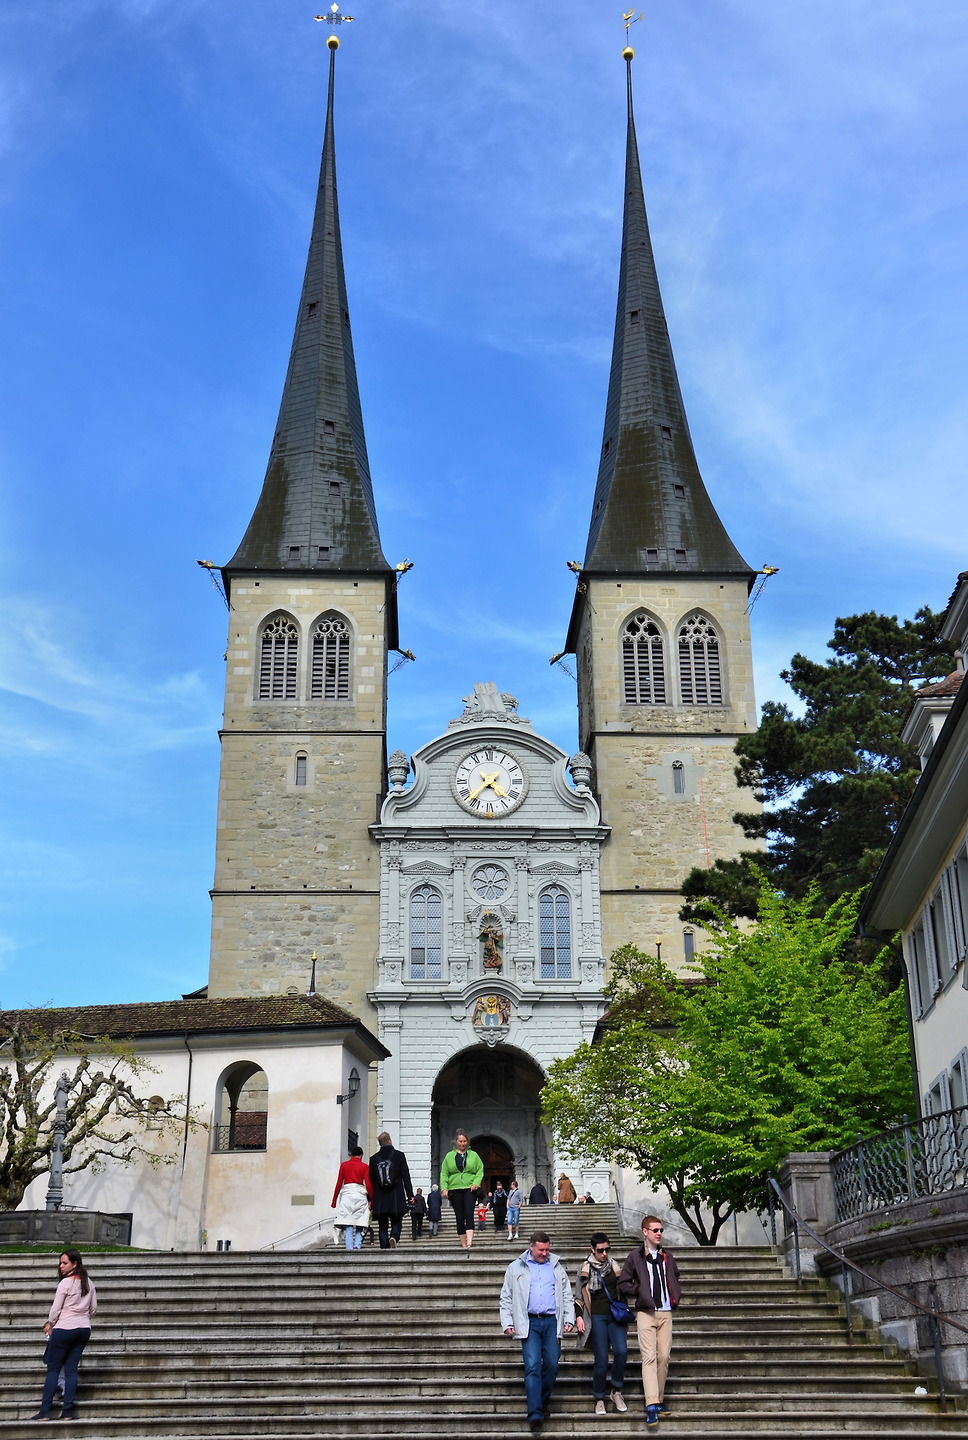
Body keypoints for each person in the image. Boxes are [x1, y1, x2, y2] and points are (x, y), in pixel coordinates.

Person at [500, 1230, 582, 1435]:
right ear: (532, 1247)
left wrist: (569, 1319)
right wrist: (507, 1322)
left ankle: (541, 1400)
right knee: (533, 1365)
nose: (545, 1253)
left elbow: (566, 1295)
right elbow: (506, 1297)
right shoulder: (515, 1267)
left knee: (552, 1364)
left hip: (552, 1321)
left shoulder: (556, 1267)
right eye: (541, 1250)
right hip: (529, 1322)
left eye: (547, 1249)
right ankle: (535, 1412)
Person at [618, 1215, 681, 1427]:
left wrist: (674, 1293)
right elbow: (623, 1283)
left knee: (664, 1357)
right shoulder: (635, 1257)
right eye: (655, 1230)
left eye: (661, 1230)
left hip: (665, 1312)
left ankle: (659, 1399)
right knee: (649, 1358)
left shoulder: (668, 1257)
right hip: (645, 1312)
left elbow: (675, 1276)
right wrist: (641, 1291)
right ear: (645, 1232)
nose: (659, 1233)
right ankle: (651, 1404)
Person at [33, 1250, 97, 1421]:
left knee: (53, 1369)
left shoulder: (65, 1283)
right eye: (60, 1263)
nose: (61, 1266)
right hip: (83, 1329)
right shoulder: (89, 1283)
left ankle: (45, 1411)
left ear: (74, 1264)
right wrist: (82, 1318)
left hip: (64, 1328)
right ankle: (67, 1411)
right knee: (71, 1370)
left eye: (64, 1263)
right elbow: (93, 1309)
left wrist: (50, 1323)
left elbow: (56, 1309)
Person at [577, 1231, 628, 1417]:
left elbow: (622, 1291)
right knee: (601, 1358)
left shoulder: (614, 1266)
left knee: (622, 1351)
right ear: (593, 1249)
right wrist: (579, 1317)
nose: (604, 1253)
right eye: (600, 1250)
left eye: (607, 1249)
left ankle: (616, 1391)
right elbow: (578, 1296)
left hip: (615, 1316)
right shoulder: (585, 1267)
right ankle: (599, 1398)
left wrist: (626, 1314)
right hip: (596, 1316)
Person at [440, 1128, 484, 1253]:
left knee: (469, 1214)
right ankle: (463, 1243)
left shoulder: (474, 1155)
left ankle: (470, 1242)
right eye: (460, 1141)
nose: (463, 1143)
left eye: (464, 1141)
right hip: (455, 1189)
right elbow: (444, 1173)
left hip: (469, 1189)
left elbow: (480, 1170)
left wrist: (476, 1183)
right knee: (459, 1217)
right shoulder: (449, 1156)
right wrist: (444, 1188)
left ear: (467, 1142)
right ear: (456, 1142)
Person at [368, 1131, 414, 1251]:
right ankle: (394, 1236)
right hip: (396, 1195)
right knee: (397, 1221)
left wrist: (371, 1198)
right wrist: (410, 1195)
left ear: (380, 1144)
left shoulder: (373, 1159)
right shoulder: (399, 1156)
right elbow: (406, 1177)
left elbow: (371, 1180)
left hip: (380, 1196)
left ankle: (384, 1247)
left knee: (382, 1226)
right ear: (390, 1141)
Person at [331, 1144, 373, 1251]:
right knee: (361, 1222)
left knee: (348, 1224)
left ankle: (349, 1248)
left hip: (347, 1195)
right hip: (359, 1195)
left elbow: (339, 1183)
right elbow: (368, 1184)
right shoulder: (364, 1167)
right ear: (361, 1155)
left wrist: (334, 1200)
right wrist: (372, 1198)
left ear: (351, 1155)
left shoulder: (344, 1165)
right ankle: (357, 1244)